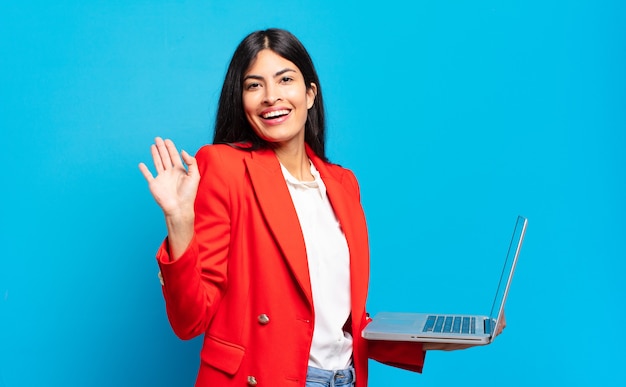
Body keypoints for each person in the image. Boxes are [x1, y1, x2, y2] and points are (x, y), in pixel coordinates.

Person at [139, 28, 496, 387]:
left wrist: (434, 339)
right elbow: (190, 320)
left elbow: (333, 320)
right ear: (242, 100)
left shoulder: (343, 184)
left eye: (285, 80)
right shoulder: (225, 167)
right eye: (254, 85)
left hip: (344, 379)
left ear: (310, 94)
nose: (271, 97)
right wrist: (179, 219)